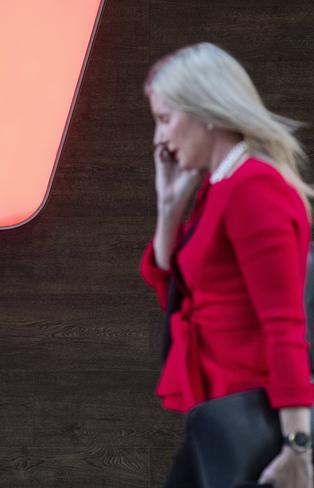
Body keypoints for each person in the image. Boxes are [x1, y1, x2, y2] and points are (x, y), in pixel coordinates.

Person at [140, 42, 314, 487]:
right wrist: (168, 206)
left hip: (253, 422)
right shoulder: (217, 190)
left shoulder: (254, 189)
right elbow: (176, 298)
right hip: (216, 416)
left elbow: (284, 324)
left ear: (207, 113)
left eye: (164, 119)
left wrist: (298, 447)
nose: (159, 138)